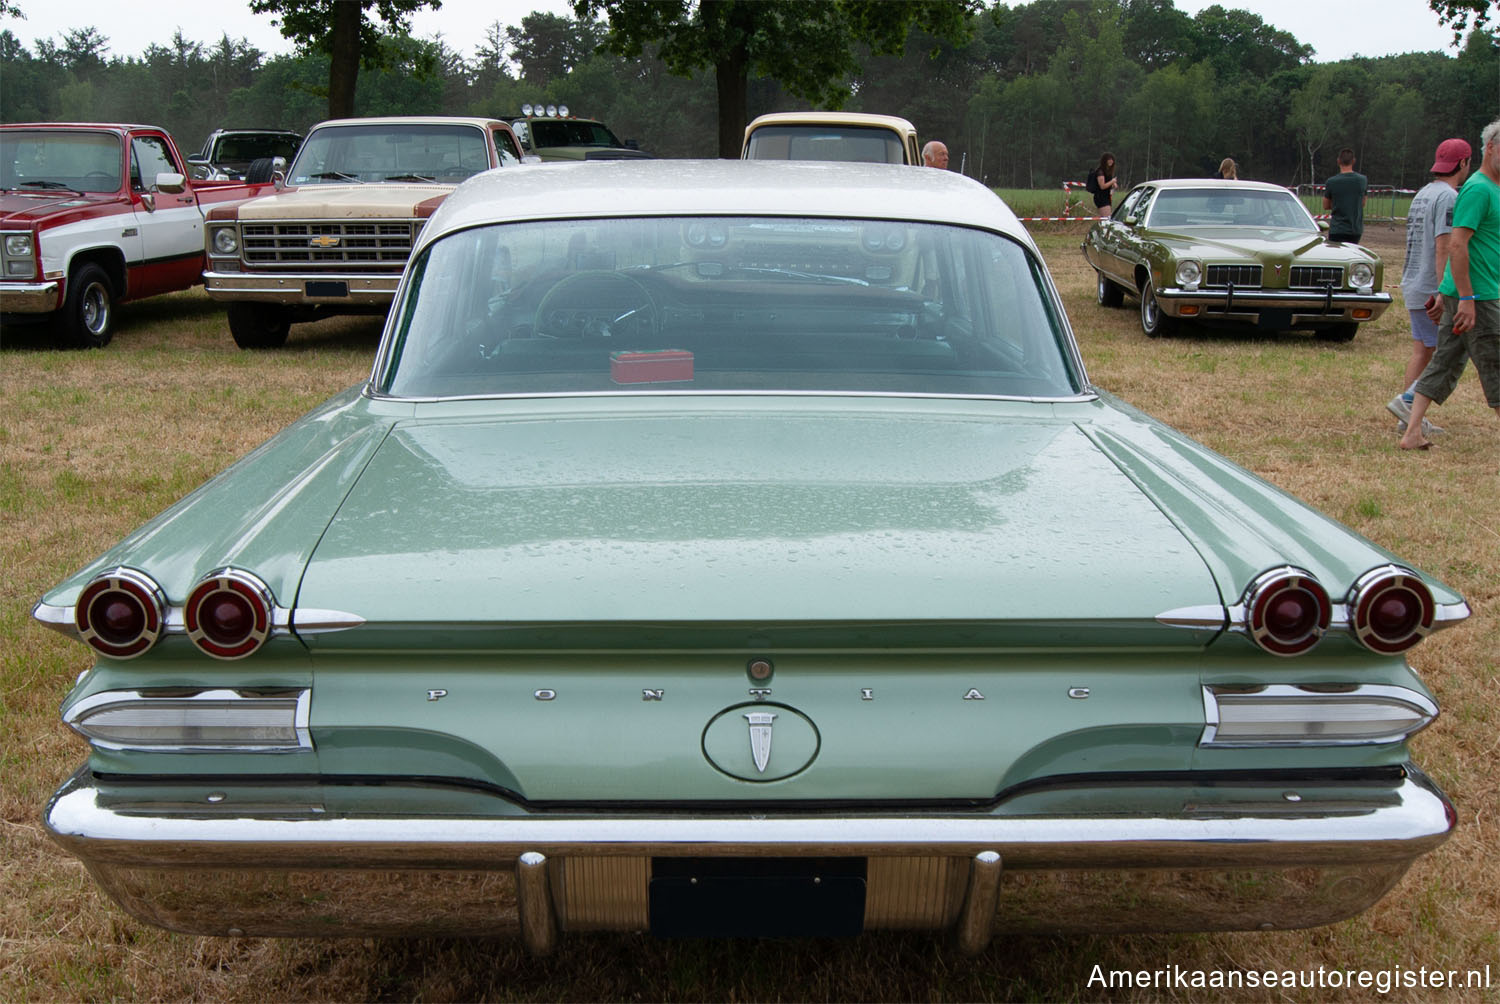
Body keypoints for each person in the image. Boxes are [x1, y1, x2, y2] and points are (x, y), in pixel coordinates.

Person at [1399, 118, 1500, 451]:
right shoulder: (1474, 190)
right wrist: (1462, 295)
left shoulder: (1483, 190)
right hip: (1475, 295)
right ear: (1487, 149)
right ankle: (1410, 425)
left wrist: (1448, 293)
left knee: (1442, 362)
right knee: (1494, 362)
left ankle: (1411, 431)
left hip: (1460, 291)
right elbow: (1454, 245)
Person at [1387, 138, 1471, 438]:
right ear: (1462, 163)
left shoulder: (1422, 194)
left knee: (1422, 351)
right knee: (1441, 355)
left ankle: (1408, 418)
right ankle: (1407, 404)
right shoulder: (1449, 197)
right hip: (1429, 287)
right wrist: (1442, 291)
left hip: (1412, 281)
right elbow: (1443, 246)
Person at [1322, 147, 1367, 243]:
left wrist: (1338, 204)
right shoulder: (1362, 180)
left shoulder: (1331, 182)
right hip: (1355, 229)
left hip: (1337, 229)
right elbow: (1363, 203)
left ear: (1338, 161)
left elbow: (1325, 205)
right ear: (1353, 161)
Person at [1086, 152, 1119, 217]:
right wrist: (1112, 182)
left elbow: (1107, 184)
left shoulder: (1108, 172)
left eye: (1112, 159)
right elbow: (1102, 186)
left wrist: (1113, 184)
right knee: (1106, 218)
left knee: (1106, 218)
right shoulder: (1100, 172)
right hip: (1101, 197)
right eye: (1109, 160)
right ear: (1104, 161)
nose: (1111, 161)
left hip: (1106, 197)